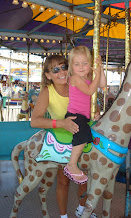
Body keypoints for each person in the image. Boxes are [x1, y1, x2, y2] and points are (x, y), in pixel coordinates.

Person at [31, 54, 100, 218]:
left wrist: (96, 111)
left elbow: (92, 103)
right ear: (48, 75)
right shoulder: (48, 92)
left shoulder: (77, 82)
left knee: (87, 179)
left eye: (64, 67)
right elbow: (35, 121)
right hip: (63, 137)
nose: (61, 72)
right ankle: (63, 216)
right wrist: (61, 123)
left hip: (83, 133)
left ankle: (82, 208)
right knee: (63, 181)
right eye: (55, 70)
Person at [64, 46, 106, 184]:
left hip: (86, 115)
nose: (81, 67)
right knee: (83, 133)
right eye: (76, 64)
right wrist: (97, 73)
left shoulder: (89, 76)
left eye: (85, 63)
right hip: (75, 115)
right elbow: (89, 91)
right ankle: (72, 164)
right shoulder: (75, 78)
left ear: (90, 63)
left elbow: (103, 85)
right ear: (71, 66)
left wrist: (100, 67)